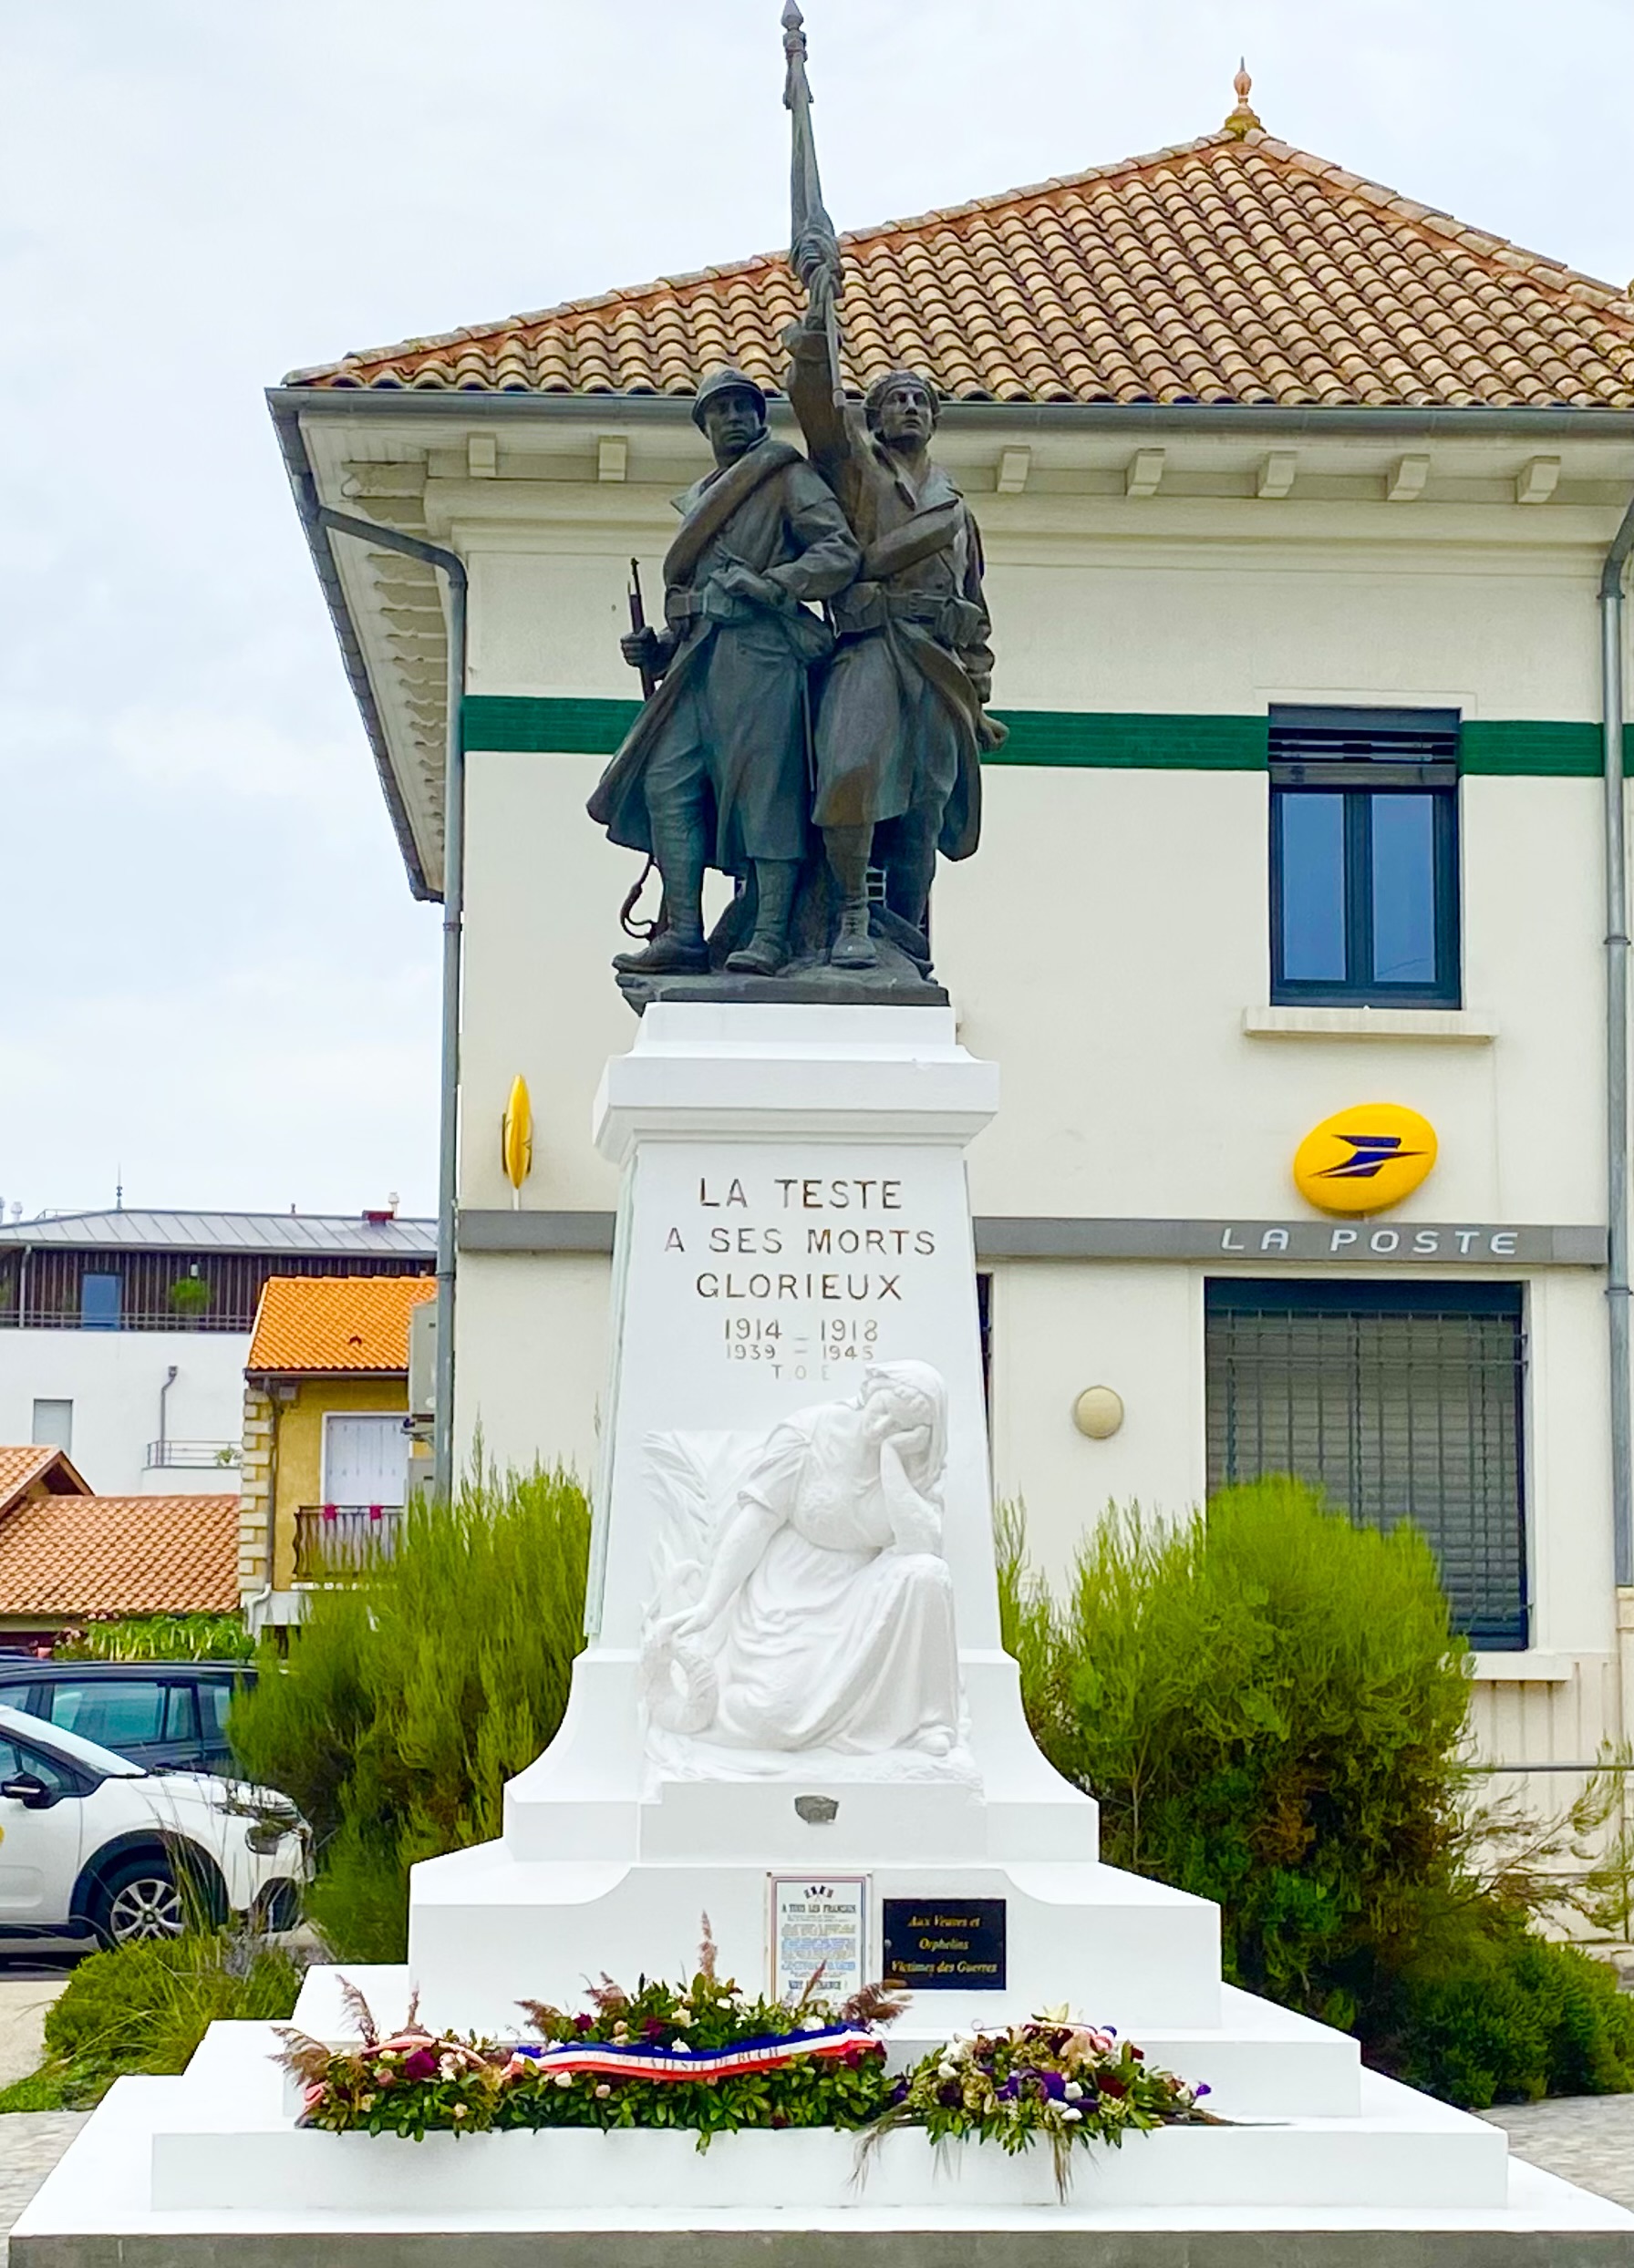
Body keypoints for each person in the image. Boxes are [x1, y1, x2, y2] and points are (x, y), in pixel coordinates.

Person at [587, 367, 860, 978]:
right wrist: (657, 647)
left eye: (745, 406)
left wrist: (772, 585)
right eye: (722, 409)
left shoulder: (785, 476)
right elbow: (691, 589)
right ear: (704, 423)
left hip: (762, 653)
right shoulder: (702, 497)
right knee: (666, 780)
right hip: (696, 659)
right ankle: (684, 931)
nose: (735, 417)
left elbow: (837, 552)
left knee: (768, 792)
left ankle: (769, 936)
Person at [784, 322, 1006, 968]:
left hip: (939, 664)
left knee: (926, 805)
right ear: (875, 417)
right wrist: (818, 324)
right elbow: (819, 409)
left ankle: (903, 935)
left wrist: (978, 681)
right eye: (895, 399)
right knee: (850, 770)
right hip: (873, 642)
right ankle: (851, 915)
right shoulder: (856, 470)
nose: (909, 407)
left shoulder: (956, 508)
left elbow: (977, 604)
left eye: (919, 400)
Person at [643, 1363, 962, 1763]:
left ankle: (929, 1724)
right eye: (881, 1409)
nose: (881, 1426)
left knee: (928, 1575)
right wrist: (711, 1603)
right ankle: (707, 1708)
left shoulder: (917, 1465)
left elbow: (922, 1544)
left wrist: (892, 1460)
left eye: (898, 1425)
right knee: (774, 1717)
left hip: (864, 1591)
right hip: (791, 1593)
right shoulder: (808, 1434)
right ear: (869, 1389)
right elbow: (755, 1524)